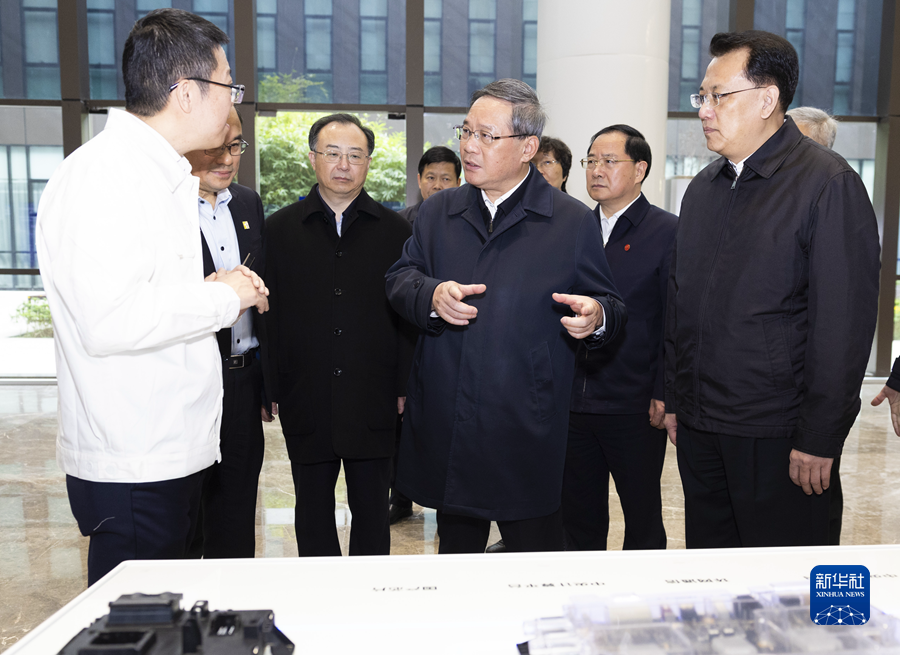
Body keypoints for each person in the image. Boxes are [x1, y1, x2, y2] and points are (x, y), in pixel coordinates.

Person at [36, 8, 269, 585]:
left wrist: (205, 292)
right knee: (138, 621)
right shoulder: (104, 177)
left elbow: (144, 293)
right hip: (135, 460)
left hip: (172, 450)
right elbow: (108, 320)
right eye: (228, 84)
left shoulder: (158, 175)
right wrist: (225, 297)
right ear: (186, 93)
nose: (233, 99)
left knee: (173, 611)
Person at [385, 79, 625, 554]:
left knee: (534, 559)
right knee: (458, 554)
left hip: (525, 420)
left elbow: (611, 303)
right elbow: (400, 277)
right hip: (451, 415)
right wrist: (431, 294)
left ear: (527, 148)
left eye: (487, 136)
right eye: (466, 132)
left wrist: (596, 315)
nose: (469, 146)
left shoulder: (570, 220)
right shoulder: (439, 212)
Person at [665, 30, 880, 548]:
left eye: (719, 96)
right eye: (702, 97)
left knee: (786, 581)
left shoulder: (827, 183)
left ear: (767, 99)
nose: (704, 111)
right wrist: (676, 397)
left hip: (778, 434)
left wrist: (820, 435)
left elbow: (842, 326)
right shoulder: (704, 188)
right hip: (701, 427)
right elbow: (680, 301)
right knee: (712, 574)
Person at [265, 113, 416, 557]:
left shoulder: (397, 231)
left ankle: (370, 592)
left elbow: (407, 318)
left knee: (372, 511)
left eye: (355, 155)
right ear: (313, 158)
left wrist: (404, 386)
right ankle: (320, 591)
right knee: (311, 509)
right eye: (332, 154)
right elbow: (269, 317)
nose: (343, 165)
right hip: (305, 392)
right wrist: (270, 386)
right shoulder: (279, 230)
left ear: (368, 162)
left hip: (374, 394)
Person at [562, 124, 677, 551]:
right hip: (572, 402)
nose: (596, 170)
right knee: (578, 517)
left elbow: (675, 320)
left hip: (635, 404)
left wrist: (665, 392)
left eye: (609, 161)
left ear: (640, 169)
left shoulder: (668, 232)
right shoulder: (573, 228)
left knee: (642, 518)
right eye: (591, 160)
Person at [185, 106, 273, 559]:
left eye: (235, 146)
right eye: (214, 147)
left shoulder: (248, 202)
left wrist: (266, 383)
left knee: (237, 513)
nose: (226, 158)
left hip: (242, 381)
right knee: (187, 518)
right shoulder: (165, 208)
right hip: (190, 382)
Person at [398, 146, 461, 224]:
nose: (437, 186)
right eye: (431, 178)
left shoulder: (467, 223)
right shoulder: (400, 222)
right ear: (419, 180)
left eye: (446, 179)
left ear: (458, 184)